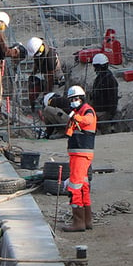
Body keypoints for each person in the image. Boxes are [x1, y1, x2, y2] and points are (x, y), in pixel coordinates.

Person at [57, 85, 98, 231]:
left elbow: (87, 120)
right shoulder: (77, 112)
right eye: (71, 100)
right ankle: (87, 221)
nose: (73, 102)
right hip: (78, 154)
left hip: (81, 154)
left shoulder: (86, 111)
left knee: (74, 186)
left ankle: (78, 222)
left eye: (75, 99)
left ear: (81, 99)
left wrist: (74, 117)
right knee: (83, 185)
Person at [23, 36, 62, 111]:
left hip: (56, 77)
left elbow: (50, 78)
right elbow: (36, 63)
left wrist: (47, 93)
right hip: (45, 73)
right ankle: (33, 107)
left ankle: (48, 110)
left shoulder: (50, 58)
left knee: (52, 98)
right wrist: (33, 74)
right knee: (33, 86)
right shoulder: (38, 49)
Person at [90, 52, 120, 124]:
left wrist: (110, 115)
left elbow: (113, 99)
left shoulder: (109, 80)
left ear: (99, 66)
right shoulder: (101, 78)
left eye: (95, 67)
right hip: (99, 111)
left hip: (104, 113)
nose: (94, 69)